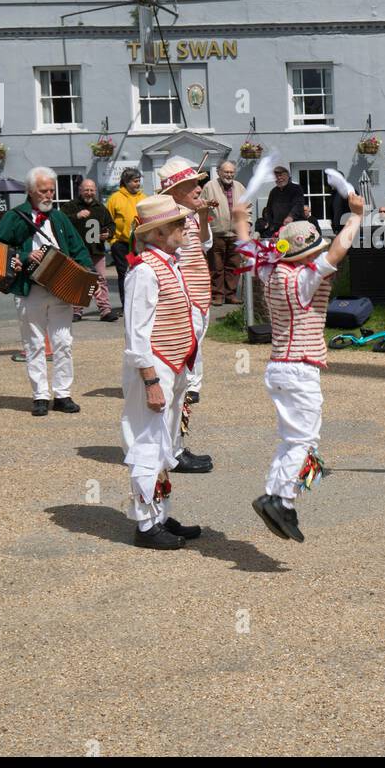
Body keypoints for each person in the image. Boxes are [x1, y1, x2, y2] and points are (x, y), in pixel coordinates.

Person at [232, 189, 365, 543]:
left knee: (290, 439)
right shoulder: (304, 279)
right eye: (315, 252)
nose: (321, 256)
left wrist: (239, 219)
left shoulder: (271, 273)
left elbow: (246, 247)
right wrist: (356, 217)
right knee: (305, 440)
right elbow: (339, 250)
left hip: (277, 365)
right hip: (300, 368)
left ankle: (276, 497)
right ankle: (282, 499)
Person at [120, 195, 206, 550]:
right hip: (155, 367)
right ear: (157, 233)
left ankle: (159, 514)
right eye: (176, 224)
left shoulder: (169, 263)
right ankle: (145, 524)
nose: (184, 227)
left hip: (173, 364)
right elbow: (135, 334)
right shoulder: (143, 271)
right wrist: (151, 380)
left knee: (165, 444)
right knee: (146, 444)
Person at [0, 167, 94, 416]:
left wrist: (89, 273)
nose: (49, 195)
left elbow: (77, 247)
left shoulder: (59, 218)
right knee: (34, 343)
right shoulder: (15, 217)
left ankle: (62, 394)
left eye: (51, 190)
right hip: (30, 289)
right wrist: (26, 255)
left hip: (61, 288)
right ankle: (40, 395)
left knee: (63, 343)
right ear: (30, 191)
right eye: (43, 190)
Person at [158, 158, 217, 472]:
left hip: (198, 300)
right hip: (182, 303)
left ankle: (176, 446)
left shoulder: (190, 217)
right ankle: (169, 451)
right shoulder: (166, 221)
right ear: (176, 190)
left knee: (181, 383)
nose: (199, 188)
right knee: (174, 380)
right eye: (193, 184)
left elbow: (204, 243)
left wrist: (203, 215)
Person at [64, 178, 118, 323]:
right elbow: (59, 221)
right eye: (86, 190)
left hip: (97, 251)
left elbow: (111, 225)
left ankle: (105, 310)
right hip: (76, 251)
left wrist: (108, 234)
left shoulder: (101, 208)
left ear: (95, 191)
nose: (89, 193)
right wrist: (76, 216)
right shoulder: (71, 206)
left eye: (91, 190)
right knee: (78, 280)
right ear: (80, 191)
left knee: (101, 280)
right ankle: (76, 310)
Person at [201, 160, 245, 306]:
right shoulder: (209, 186)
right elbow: (202, 206)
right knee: (216, 267)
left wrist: (247, 224)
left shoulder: (240, 187)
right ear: (219, 172)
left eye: (232, 172)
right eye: (226, 171)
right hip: (216, 233)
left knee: (234, 266)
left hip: (235, 234)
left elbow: (247, 208)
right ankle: (217, 295)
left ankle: (230, 295)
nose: (229, 174)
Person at [106, 168, 146, 313]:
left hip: (140, 243)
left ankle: (140, 304)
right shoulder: (115, 198)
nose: (138, 184)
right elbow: (107, 220)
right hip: (121, 244)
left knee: (141, 273)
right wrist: (112, 241)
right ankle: (126, 305)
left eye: (139, 181)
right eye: (135, 181)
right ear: (126, 182)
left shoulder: (144, 198)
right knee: (124, 274)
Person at [255, 165, 305, 236]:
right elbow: (269, 210)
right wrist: (271, 224)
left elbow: (298, 204)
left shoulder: (296, 189)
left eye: (281, 175)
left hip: (295, 225)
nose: (279, 178)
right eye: (276, 176)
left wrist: (291, 216)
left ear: (288, 176)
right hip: (278, 228)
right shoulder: (273, 192)